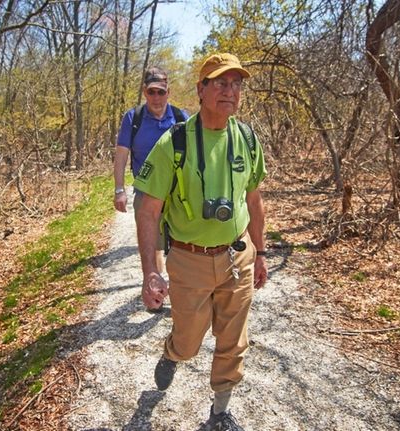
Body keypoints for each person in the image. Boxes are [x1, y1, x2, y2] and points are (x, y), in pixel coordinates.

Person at [133, 53, 268, 431]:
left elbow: (255, 202)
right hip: (189, 260)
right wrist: (150, 272)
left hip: (237, 256)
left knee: (233, 340)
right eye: (221, 83)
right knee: (190, 341)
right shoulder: (173, 143)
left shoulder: (246, 138)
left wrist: (260, 254)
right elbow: (148, 212)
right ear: (201, 89)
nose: (231, 91)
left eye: (237, 83)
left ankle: (220, 411)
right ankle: (173, 353)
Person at [113, 66, 189, 304]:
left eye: (161, 92)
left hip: (177, 194)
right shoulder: (132, 119)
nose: (156, 98)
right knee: (153, 244)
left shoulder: (180, 117)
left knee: (181, 245)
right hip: (146, 193)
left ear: (168, 92)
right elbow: (122, 154)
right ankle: (156, 289)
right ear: (145, 92)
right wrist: (119, 190)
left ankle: (180, 290)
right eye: (151, 92)